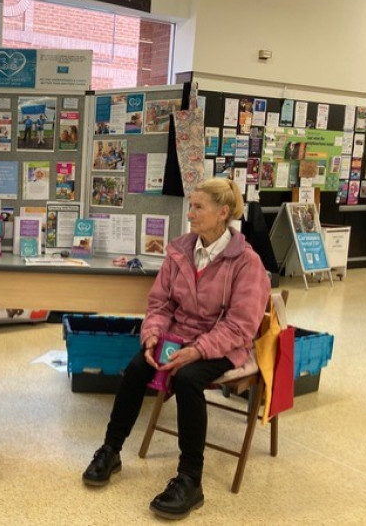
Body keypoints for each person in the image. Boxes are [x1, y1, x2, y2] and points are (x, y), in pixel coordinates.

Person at [82, 178, 269, 520]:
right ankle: (112, 450)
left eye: (199, 207)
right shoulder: (180, 249)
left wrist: (198, 350)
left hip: (223, 344)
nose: (190, 214)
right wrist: (152, 335)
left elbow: (242, 325)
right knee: (138, 366)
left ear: (222, 212)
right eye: (191, 206)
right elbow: (160, 303)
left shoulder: (247, 262)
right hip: (177, 338)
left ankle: (190, 479)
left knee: (187, 378)